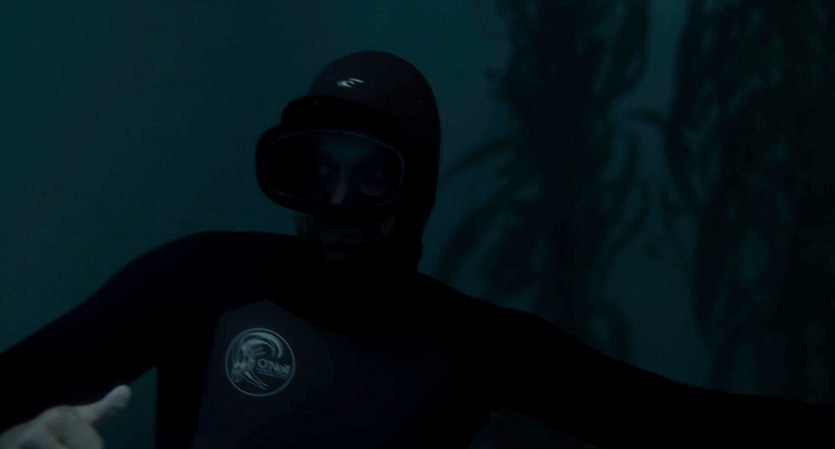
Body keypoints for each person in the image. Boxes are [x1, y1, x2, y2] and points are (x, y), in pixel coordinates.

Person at [0, 50, 831, 449]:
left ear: (418, 186)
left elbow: (684, 423)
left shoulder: (472, 342)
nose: (335, 203)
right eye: (311, 170)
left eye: (372, 176)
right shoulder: (200, 279)